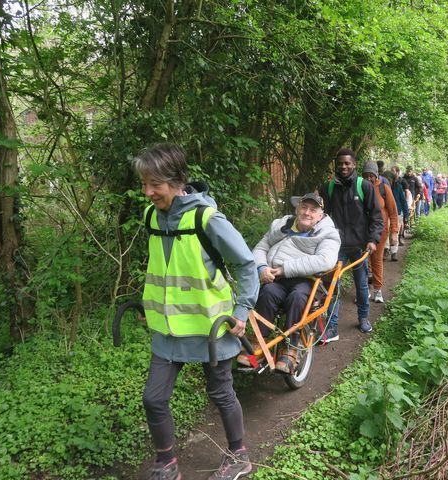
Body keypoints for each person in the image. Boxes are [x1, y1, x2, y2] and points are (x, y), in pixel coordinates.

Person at [133, 144, 259, 480]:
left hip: (210, 328)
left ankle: (238, 455)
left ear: (176, 180)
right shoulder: (151, 217)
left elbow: (246, 264)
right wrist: (150, 306)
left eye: (154, 184)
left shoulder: (207, 218)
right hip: (168, 329)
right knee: (153, 398)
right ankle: (167, 463)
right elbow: (164, 268)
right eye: (144, 183)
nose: (147, 192)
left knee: (220, 392)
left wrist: (243, 310)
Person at [243, 193, 341, 372]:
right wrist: (262, 267)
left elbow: (326, 260)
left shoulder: (328, 233)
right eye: (304, 208)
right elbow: (261, 247)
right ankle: (258, 343)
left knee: (297, 297)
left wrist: (284, 269)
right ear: (297, 209)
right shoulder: (282, 225)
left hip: (307, 281)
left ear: (320, 215)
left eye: (313, 210)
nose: (307, 213)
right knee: (268, 293)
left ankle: (291, 349)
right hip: (277, 279)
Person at [319, 148, 383, 340]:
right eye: (340, 164)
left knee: (362, 284)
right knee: (332, 285)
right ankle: (332, 327)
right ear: (336, 165)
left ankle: (363, 318)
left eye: (347, 163)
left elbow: (376, 217)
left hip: (359, 245)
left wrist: (372, 240)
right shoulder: (328, 188)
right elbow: (321, 217)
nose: (344, 167)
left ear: (354, 164)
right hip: (335, 247)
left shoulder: (364, 186)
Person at [362, 162, 398, 303]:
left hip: (380, 232)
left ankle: (377, 290)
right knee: (363, 261)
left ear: (376, 175)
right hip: (362, 231)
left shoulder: (384, 188)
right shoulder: (360, 187)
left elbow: (393, 212)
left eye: (372, 176)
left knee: (376, 259)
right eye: (366, 176)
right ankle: (365, 291)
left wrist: (394, 231)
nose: (369, 178)